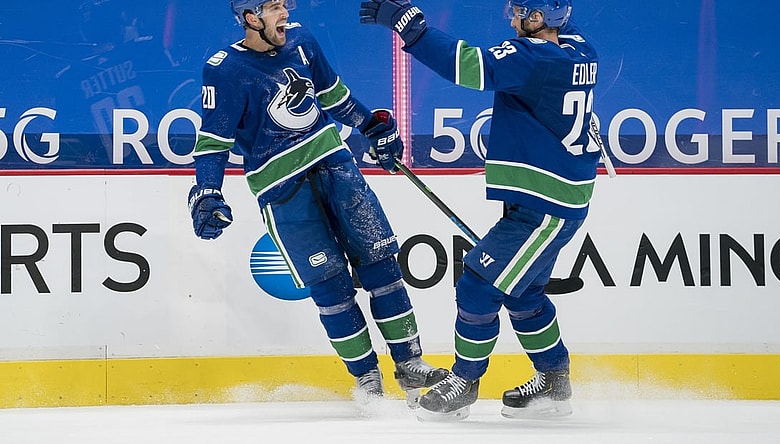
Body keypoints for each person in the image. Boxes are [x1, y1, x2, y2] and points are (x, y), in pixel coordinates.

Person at [189, 0, 447, 406]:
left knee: (381, 265)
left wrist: (370, 125)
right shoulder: (225, 70)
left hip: (336, 165)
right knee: (331, 287)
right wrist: (206, 190)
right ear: (250, 18)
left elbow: (334, 96)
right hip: (281, 188)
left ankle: (410, 363)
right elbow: (213, 141)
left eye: (284, 5)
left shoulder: (302, 40)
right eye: (274, 8)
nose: (285, 14)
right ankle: (367, 379)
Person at [360, 0, 600, 420]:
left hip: (544, 207)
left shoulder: (534, 57)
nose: (512, 18)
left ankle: (464, 383)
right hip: (552, 199)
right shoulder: (579, 48)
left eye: (520, 11)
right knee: (523, 293)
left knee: (477, 285)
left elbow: (468, 66)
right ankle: (554, 383)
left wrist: (409, 26)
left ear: (540, 19)